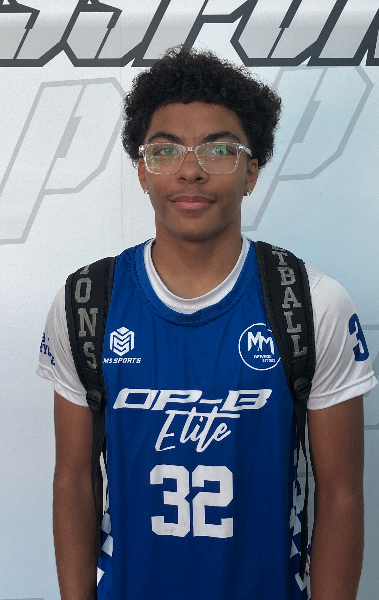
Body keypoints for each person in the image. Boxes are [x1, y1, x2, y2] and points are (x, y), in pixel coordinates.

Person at [37, 47, 377, 600]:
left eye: (219, 150)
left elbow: (340, 494)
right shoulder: (86, 302)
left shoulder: (313, 304)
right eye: (165, 150)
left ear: (251, 172)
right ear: (142, 171)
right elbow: (73, 478)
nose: (190, 170)